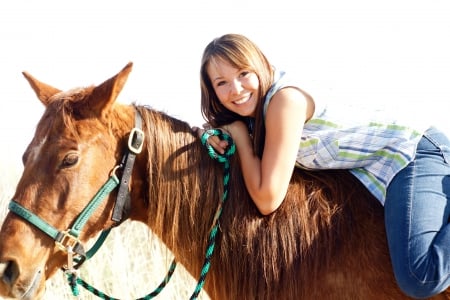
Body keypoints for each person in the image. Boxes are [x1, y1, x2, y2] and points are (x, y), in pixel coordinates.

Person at [193, 33, 450, 298]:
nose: (235, 89)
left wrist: (238, 137)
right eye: (221, 82)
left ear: (261, 65)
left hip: (414, 152)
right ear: (211, 91)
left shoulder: (285, 101)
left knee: (420, 276)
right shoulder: (255, 118)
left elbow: (268, 198)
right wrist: (209, 134)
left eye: (243, 73)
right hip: (385, 172)